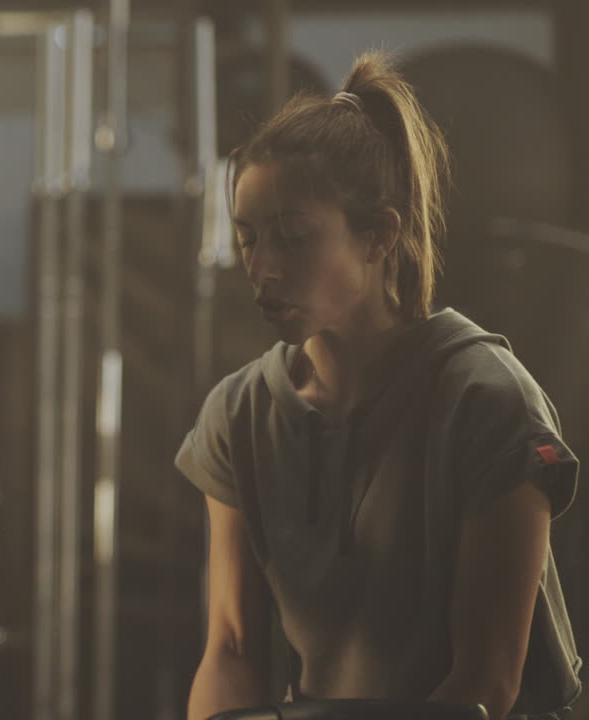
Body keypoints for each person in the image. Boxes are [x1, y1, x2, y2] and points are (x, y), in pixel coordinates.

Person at [177, 52, 580, 720]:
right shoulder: (238, 413)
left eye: (292, 238)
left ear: (378, 235)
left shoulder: (487, 401)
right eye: (248, 240)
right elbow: (233, 651)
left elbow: (487, 680)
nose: (262, 269)